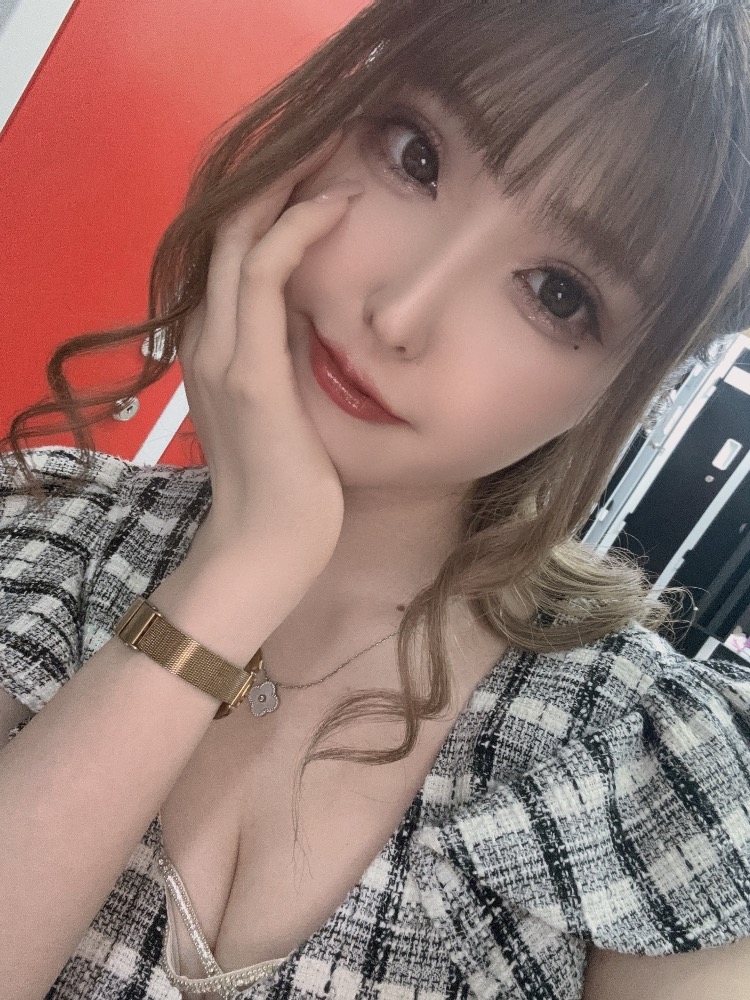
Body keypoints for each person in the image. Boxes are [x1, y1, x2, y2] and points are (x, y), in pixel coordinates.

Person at [1, 0, 750, 997]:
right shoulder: (40, 537)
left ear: (626, 389)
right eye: (416, 156)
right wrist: (243, 566)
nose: (400, 312)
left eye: (558, 293)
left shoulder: (647, 768)